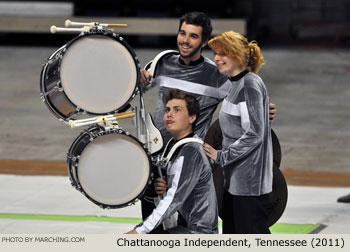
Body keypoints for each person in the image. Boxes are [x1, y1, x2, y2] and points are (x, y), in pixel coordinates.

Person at [140, 11, 276, 228]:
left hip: (188, 161)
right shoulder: (161, 62)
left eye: (193, 36)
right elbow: (135, 89)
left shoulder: (218, 75)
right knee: (153, 227)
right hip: (156, 159)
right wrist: (138, 79)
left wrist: (264, 109)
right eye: (182, 33)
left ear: (203, 43)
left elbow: (245, 96)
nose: (185, 40)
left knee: (185, 226)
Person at [203, 31, 273, 234]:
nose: (216, 58)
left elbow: (255, 133)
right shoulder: (235, 83)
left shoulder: (249, 84)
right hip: (235, 178)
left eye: (223, 53)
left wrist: (222, 156)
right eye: (216, 53)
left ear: (238, 55)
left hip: (249, 183)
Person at [125, 89, 218, 234]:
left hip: (199, 233)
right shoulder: (174, 146)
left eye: (177, 110)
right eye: (167, 109)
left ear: (192, 118)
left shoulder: (191, 150)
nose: (169, 114)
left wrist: (139, 231)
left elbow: (174, 199)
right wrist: (165, 183)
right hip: (183, 226)